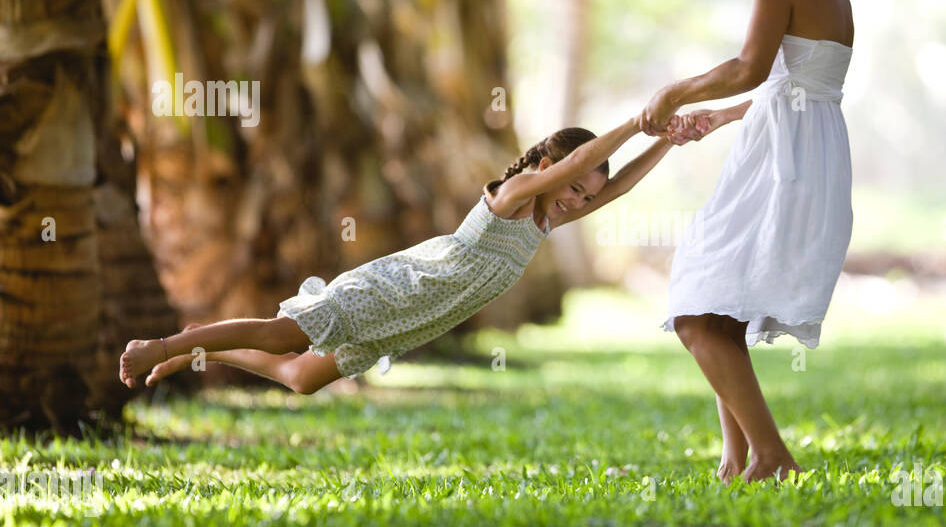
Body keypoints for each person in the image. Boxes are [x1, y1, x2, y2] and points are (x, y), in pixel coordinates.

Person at [119, 122, 682, 393]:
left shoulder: (546, 220)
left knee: (300, 378)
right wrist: (638, 122)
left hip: (412, 323)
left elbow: (619, 188)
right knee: (287, 334)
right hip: (395, 288)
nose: (575, 200)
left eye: (583, 196)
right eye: (571, 186)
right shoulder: (511, 198)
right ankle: (163, 346)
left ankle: (202, 341)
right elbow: (573, 168)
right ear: (545, 169)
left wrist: (669, 141)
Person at [638, 0, 865, 483]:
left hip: (781, 159)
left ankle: (771, 457)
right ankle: (736, 458)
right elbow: (801, 83)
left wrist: (676, 92)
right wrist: (719, 116)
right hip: (811, 153)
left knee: (693, 304)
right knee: (721, 307)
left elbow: (750, 67)